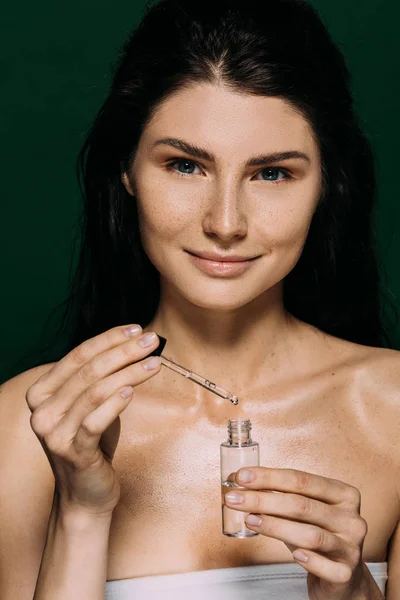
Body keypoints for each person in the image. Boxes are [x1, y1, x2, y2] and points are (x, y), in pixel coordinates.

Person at [0, 0, 398, 597]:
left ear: (327, 184)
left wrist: (353, 593)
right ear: (127, 171)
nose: (226, 222)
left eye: (272, 174)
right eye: (185, 165)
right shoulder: (28, 426)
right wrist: (80, 510)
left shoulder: (394, 412)